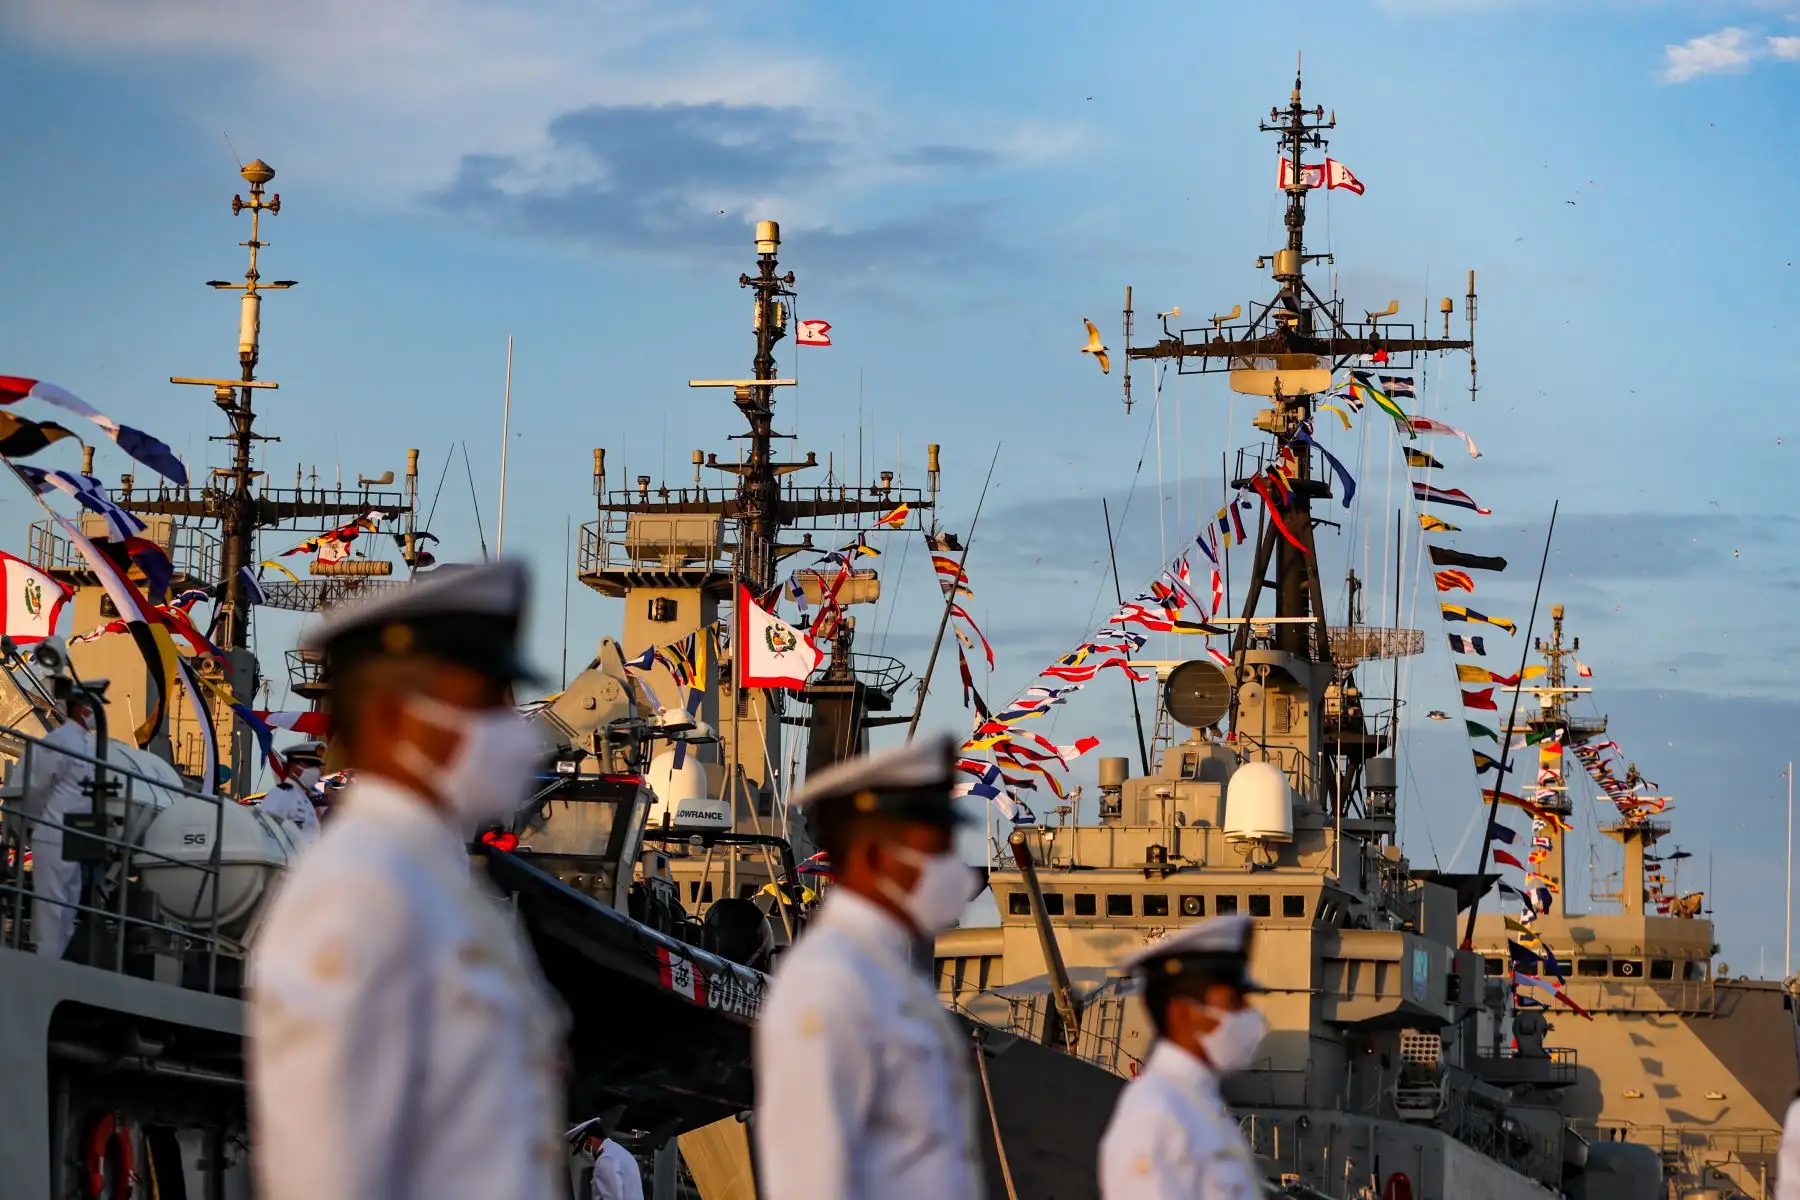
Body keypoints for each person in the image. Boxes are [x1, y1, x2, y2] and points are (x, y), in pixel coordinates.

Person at [248, 560, 566, 1200]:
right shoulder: (358, 898)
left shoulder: (429, 883)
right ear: (395, 717)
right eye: (481, 707)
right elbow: (333, 1169)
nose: (513, 732)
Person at [753, 733, 985, 1200]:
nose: (955, 872)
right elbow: (811, 1179)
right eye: (934, 850)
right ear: (875, 856)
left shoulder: (886, 979)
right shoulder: (831, 985)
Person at [1099, 914, 1269, 1198]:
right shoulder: (1155, 1116)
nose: (1250, 1014)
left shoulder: (1197, 1106)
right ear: (1181, 1012)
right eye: (1233, 1002)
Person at [26, 683, 100, 960]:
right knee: (51, 912)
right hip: (53, 834)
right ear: (80, 709)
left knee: (67, 911)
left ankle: (55, 965)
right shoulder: (60, 741)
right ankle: (45, 967)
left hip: (74, 837)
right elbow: (37, 784)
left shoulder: (85, 744)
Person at [258, 739, 324, 839]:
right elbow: (267, 834)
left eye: (317, 766)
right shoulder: (279, 794)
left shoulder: (306, 801)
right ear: (293, 767)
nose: (315, 770)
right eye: (310, 765)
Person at [567, 1120, 646, 1200]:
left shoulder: (605, 1159)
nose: (582, 1153)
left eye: (582, 1148)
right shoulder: (618, 1152)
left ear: (590, 1141)